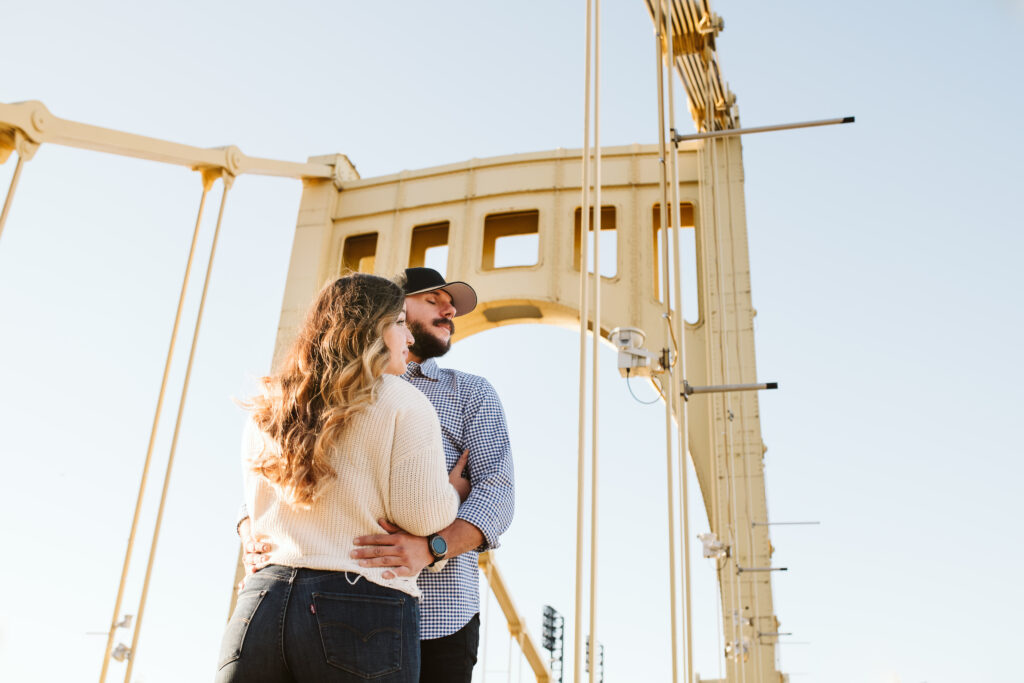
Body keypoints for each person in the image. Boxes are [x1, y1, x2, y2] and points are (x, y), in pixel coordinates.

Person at [240, 267, 516, 682]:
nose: (449, 311)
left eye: (451, 306)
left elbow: (497, 492)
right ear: (386, 306)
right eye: (432, 300)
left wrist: (433, 547)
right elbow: (282, 469)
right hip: (335, 602)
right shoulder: (320, 388)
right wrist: (250, 526)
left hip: (440, 619)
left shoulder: (470, 393)